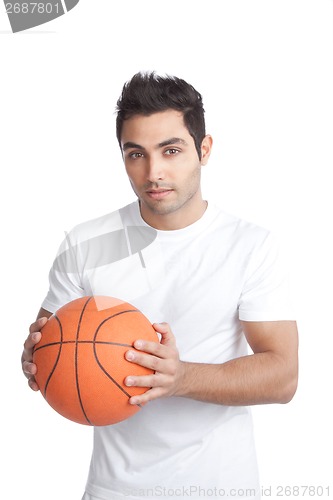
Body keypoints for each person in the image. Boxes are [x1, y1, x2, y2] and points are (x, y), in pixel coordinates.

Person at [21, 71, 298, 500]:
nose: (154, 172)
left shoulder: (251, 246)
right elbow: (51, 347)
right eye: (136, 154)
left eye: (171, 150)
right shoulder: (84, 244)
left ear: (204, 149)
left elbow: (283, 377)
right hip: (113, 489)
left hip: (220, 487)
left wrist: (181, 377)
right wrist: (38, 358)